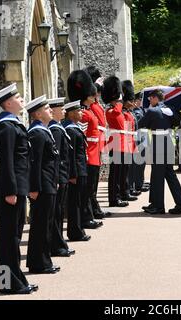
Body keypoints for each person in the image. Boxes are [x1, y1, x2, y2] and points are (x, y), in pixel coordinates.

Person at [0, 83, 37, 295]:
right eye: (18, 97)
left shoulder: (14, 124)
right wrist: (10, 191)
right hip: (11, 189)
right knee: (8, 239)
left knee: (14, 237)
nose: (22, 100)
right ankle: (8, 283)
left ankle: (15, 279)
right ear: (8, 103)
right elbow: (8, 162)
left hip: (18, 187)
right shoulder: (5, 126)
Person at [138, 89, 181, 215]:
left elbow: (141, 123)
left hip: (159, 143)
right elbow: (177, 121)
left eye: (151, 98)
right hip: (168, 142)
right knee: (170, 175)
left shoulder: (152, 110)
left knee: (157, 175)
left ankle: (158, 205)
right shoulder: (170, 109)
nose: (149, 100)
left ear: (156, 98)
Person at [26, 95, 61, 274]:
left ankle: (42, 260)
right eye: (47, 109)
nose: (50, 111)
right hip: (41, 186)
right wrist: (34, 188)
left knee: (45, 224)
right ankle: (39, 263)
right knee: (41, 225)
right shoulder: (37, 133)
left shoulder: (43, 131)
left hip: (48, 183)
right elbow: (35, 163)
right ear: (38, 114)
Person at [67, 70, 104, 229]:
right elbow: (82, 138)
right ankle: (85, 218)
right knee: (85, 191)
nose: (94, 96)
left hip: (94, 155)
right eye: (92, 94)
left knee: (88, 190)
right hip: (89, 156)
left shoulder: (88, 111)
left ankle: (88, 216)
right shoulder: (83, 114)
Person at [47, 98, 76, 258]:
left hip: (62, 175)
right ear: (54, 110)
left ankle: (59, 243)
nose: (64, 111)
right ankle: (57, 245)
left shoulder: (58, 128)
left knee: (59, 212)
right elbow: (57, 157)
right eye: (61, 109)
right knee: (57, 212)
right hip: (60, 175)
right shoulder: (56, 129)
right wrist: (58, 177)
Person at [84, 66, 112, 218]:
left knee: (94, 182)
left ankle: (94, 207)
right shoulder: (90, 106)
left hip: (98, 146)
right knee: (90, 183)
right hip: (92, 147)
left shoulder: (96, 105)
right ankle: (92, 208)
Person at [63, 101, 92, 241]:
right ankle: (75, 232)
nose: (82, 113)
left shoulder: (74, 128)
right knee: (75, 203)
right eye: (79, 111)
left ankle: (79, 229)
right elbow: (71, 155)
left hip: (81, 169)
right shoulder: (70, 130)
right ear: (71, 113)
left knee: (79, 202)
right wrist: (73, 174)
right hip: (77, 172)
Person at [103, 76, 132, 207]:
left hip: (121, 144)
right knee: (115, 174)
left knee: (120, 172)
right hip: (115, 144)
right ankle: (113, 199)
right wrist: (120, 100)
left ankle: (118, 195)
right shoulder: (110, 110)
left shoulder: (118, 110)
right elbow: (116, 112)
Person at [122, 80, 141, 198]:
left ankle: (130, 188)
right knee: (126, 170)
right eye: (131, 101)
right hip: (126, 143)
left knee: (131, 168)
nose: (133, 103)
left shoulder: (129, 112)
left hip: (131, 142)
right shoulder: (124, 113)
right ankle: (127, 189)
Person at [130, 92, 150, 193]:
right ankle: (138, 183)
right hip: (139, 138)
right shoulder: (136, 111)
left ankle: (140, 181)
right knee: (138, 163)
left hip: (144, 137)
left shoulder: (141, 110)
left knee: (142, 163)